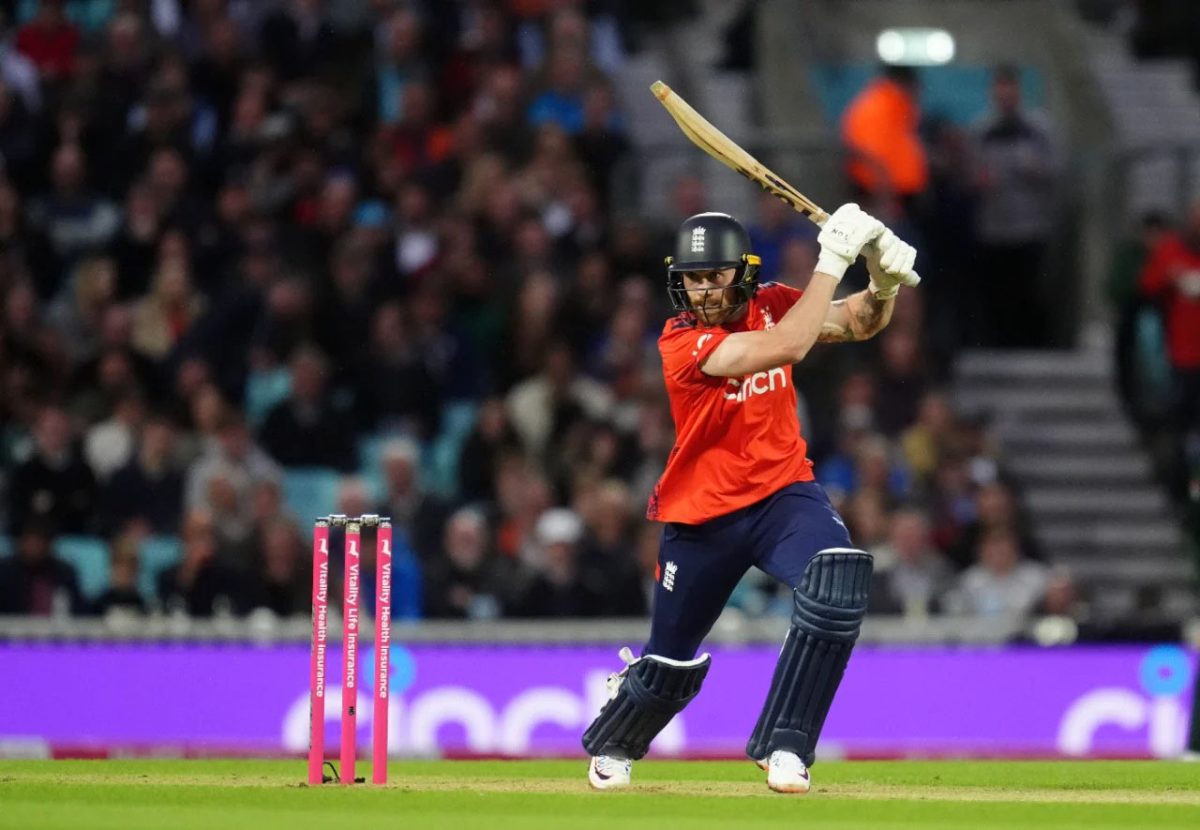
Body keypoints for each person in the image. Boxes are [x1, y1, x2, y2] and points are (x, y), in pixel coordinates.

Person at [581, 204, 919, 793]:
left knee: (836, 582)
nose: (704, 289)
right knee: (668, 666)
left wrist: (882, 281)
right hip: (702, 513)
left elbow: (858, 322)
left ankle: (787, 747)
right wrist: (834, 257)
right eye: (693, 277)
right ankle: (618, 733)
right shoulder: (680, 342)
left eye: (715, 275)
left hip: (783, 495)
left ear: (743, 272)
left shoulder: (775, 301)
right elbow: (789, 346)